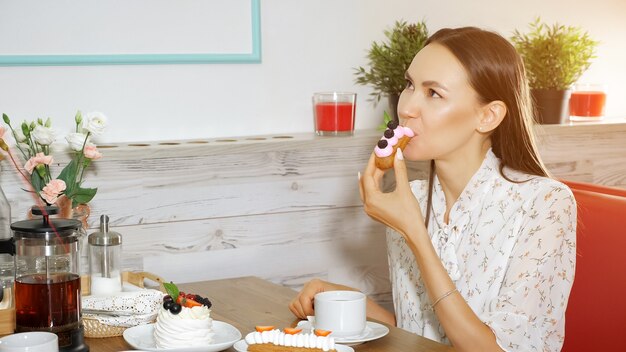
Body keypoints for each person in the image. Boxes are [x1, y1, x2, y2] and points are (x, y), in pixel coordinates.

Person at [289, 27, 576, 352]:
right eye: (410, 85)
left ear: (488, 115)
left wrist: (415, 233)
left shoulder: (546, 203)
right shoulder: (410, 197)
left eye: (433, 93)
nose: (407, 107)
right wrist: (345, 302)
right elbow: (423, 334)